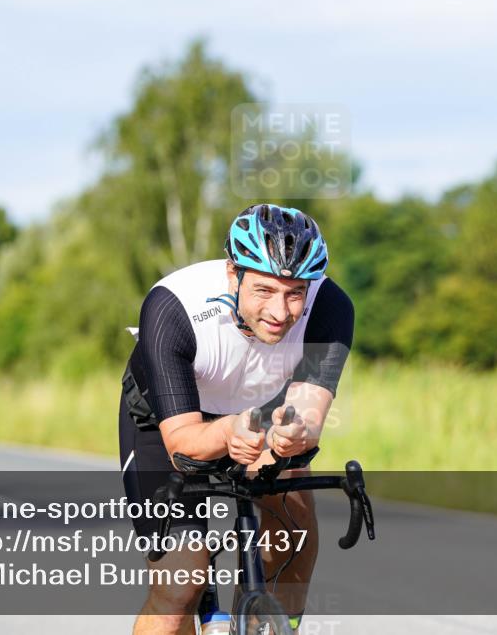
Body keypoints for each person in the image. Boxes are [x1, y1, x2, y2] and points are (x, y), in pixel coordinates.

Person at [118, 203, 355, 635]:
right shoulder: (173, 306)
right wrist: (228, 430)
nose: (280, 312)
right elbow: (182, 442)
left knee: (293, 537)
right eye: (264, 290)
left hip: (259, 416)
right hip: (166, 422)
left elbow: (309, 415)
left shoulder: (330, 307)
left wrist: (293, 435)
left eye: (295, 293)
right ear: (233, 273)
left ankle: (271, 625)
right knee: (180, 587)